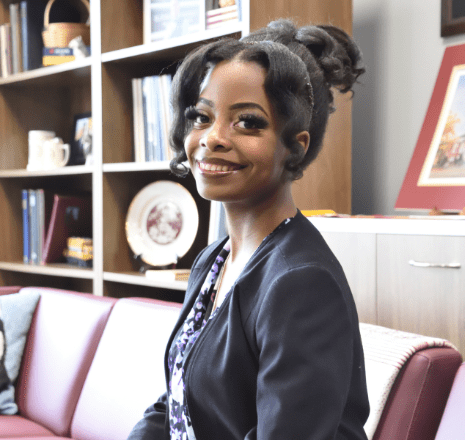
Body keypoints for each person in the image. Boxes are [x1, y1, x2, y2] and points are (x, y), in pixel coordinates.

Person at [128, 18, 369, 440]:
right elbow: (179, 399)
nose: (213, 138)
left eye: (248, 122)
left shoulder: (301, 283)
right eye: (201, 117)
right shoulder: (212, 262)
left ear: (296, 144)